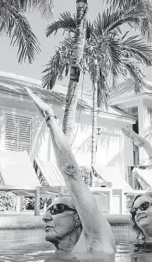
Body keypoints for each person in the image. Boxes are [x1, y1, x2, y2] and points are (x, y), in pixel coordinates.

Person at [26, 88, 116, 254]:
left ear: (78, 217)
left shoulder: (96, 246)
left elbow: (71, 173)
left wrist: (49, 118)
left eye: (56, 210)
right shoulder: (62, 254)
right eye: (48, 211)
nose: (45, 217)